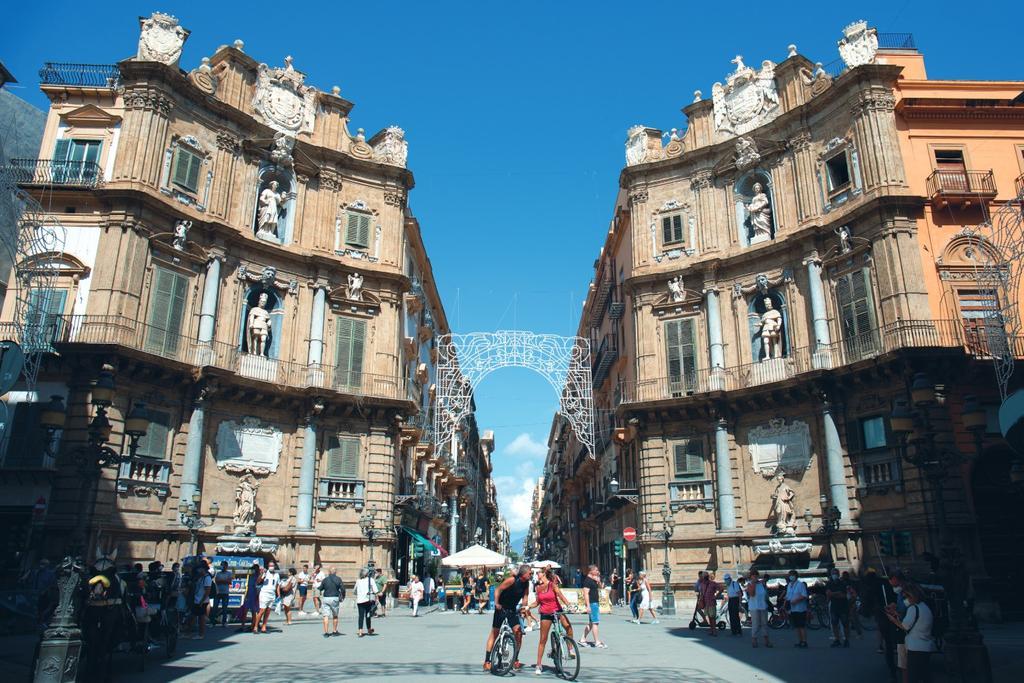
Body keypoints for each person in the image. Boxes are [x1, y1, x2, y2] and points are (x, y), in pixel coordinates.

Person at [483, 564, 532, 672]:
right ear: (524, 573)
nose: (531, 575)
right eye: (530, 573)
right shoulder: (512, 580)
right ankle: (487, 661)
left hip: (512, 610)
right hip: (501, 608)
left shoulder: (526, 584)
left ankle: (515, 659)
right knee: (495, 633)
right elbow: (498, 590)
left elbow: (525, 597)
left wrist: (524, 607)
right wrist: (496, 603)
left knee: (518, 632)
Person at [530, 567, 576, 676]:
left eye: (538, 573)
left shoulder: (552, 584)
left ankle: (570, 649)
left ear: (543, 574)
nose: (537, 575)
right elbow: (537, 602)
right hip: (545, 614)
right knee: (543, 639)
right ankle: (538, 664)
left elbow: (560, 595)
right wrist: (528, 607)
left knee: (568, 627)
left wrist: (569, 605)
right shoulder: (538, 588)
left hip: (557, 611)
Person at [887, 583, 935, 683]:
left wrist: (893, 619)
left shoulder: (913, 608)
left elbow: (905, 626)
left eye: (906, 597)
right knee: (925, 676)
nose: (905, 600)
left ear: (912, 595)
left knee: (913, 678)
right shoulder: (925, 607)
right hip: (926, 647)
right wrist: (898, 615)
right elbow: (914, 622)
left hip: (915, 649)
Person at [580, 565, 607, 647]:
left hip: (595, 602)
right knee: (595, 623)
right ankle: (597, 642)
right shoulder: (587, 581)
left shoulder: (593, 580)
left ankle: (582, 639)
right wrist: (588, 606)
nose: (598, 571)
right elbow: (585, 593)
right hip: (592, 603)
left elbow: (601, 587)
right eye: (596, 570)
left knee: (591, 623)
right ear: (591, 571)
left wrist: (598, 581)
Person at [746, 569, 772, 648]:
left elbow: (765, 594)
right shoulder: (749, 584)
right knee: (756, 624)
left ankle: (766, 640)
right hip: (754, 607)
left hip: (763, 606)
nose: (755, 577)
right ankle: (754, 639)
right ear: (750, 577)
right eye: (753, 576)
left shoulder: (762, 584)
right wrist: (754, 584)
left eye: (756, 576)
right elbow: (752, 594)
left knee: (764, 624)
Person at [253, 561, 280, 634]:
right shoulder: (265, 573)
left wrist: (279, 595)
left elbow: (277, 585)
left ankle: (263, 627)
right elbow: (258, 581)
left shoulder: (277, 575)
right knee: (262, 610)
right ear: (268, 566)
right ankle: (255, 627)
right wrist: (262, 574)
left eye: (273, 565)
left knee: (268, 611)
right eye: (270, 565)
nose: (271, 567)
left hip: (272, 594)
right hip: (264, 594)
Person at [826, 568, 851, 647]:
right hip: (834, 606)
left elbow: (843, 595)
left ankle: (846, 639)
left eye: (835, 573)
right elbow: (828, 594)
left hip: (843, 606)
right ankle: (837, 639)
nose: (834, 575)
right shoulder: (829, 583)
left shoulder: (843, 583)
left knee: (845, 623)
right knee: (834, 623)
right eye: (833, 573)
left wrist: (833, 594)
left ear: (838, 574)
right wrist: (836, 593)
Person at [319, 566, 346, 638]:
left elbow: (320, 588)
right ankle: (334, 631)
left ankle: (326, 632)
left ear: (329, 572)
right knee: (335, 615)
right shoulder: (338, 579)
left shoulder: (325, 579)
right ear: (335, 572)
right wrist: (343, 596)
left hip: (326, 598)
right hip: (334, 598)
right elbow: (343, 589)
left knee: (326, 615)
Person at [786, 570, 809, 648]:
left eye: (792, 575)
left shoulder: (800, 584)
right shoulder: (789, 585)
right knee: (796, 626)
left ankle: (804, 641)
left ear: (796, 576)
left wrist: (796, 600)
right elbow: (788, 596)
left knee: (801, 625)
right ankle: (799, 641)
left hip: (800, 608)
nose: (791, 576)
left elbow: (804, 595)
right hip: (793, 609)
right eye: (790, 575)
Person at [190, 559, 213, 640]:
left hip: (201, 601)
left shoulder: (207, 578)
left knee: (201, 618)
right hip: (197, 599)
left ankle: (201, 634)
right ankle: (195, 632)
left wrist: (201, 601)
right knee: (196, 616)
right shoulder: (200, 577)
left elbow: (207, 591)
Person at [356, 567, 378, 637]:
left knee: (361, 616)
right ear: (367, 574)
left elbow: (354, 590)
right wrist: (377, 597)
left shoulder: (358, 580)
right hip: (367, 600)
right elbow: (376, 590)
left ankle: (360, 631)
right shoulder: (371, 580)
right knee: (368, 615)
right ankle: (369, 629)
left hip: (360, 600)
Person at [238, 562, 260, 630]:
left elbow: (257, 587)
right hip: (249, 594)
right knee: (246, 611)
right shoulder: (250, 576)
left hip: (253, 595)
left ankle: (252, 625)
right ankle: (243, 626)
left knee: (253, 611)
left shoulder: (257, 577)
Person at [212, 561, 233, 627]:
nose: (222, 566)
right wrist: (223, 581)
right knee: (215, 607)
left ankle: (224, 623)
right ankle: (213, 622)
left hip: (225, 593)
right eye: (221, 565)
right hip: (218, 592)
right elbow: (216, 581)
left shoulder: (229, 573)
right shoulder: (218, 573)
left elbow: (229, 581)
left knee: (225, 608)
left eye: (223, 565)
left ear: (226, 566)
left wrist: (222, 581)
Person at [702, 571, 721, 636]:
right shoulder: (703, 584)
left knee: (712, 617)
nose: (703, 578)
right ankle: (711, 630)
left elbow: (721, 589)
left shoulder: (713, 583)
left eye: (704, 576)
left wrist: (716, 596)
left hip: (711, 603)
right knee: (709, 617)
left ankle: (714, 631)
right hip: (706, 603)